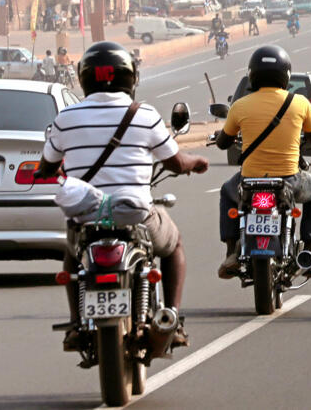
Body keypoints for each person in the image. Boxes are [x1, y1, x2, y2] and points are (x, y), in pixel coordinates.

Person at [36, 41, 208, 349]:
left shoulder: (66, 118)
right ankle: (172, 318)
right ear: (130, 77)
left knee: (72, 258)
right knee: (174, 245)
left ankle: (76, 324)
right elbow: (177, 162)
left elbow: (47, 166)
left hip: (86, 219)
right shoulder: (145, 115)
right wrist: (197, 162)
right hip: (136, 214)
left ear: (84, 77)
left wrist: (46, 173)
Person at [215, 46, 311, 278]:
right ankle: (307, 252)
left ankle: (231, 253)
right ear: (286, 75)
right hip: (290, 180)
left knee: (227, 192)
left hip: (248, 182)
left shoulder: (240, 106)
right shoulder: (299, 103)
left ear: (252, 74)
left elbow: (222, 143)